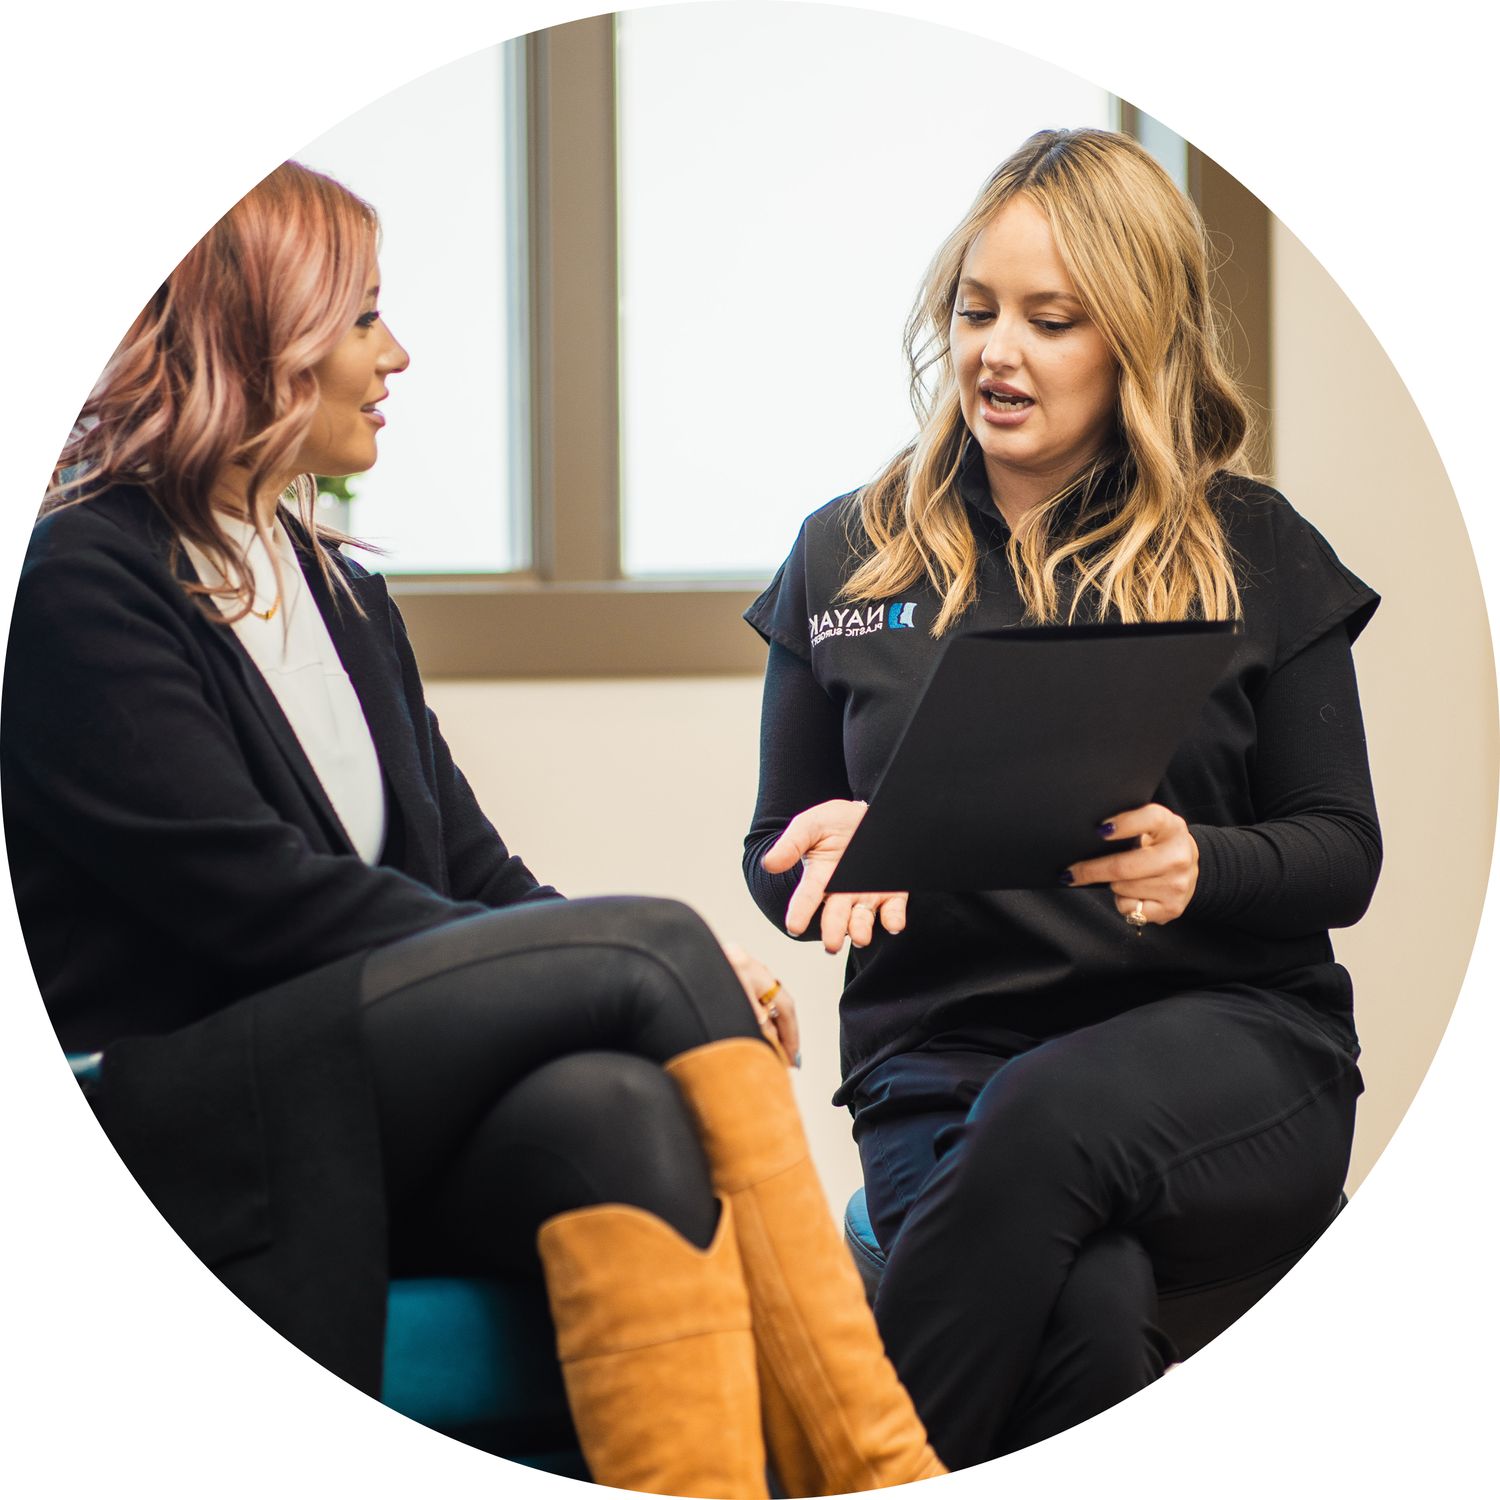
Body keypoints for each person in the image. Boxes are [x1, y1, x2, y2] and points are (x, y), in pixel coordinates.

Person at [1, 161, 947, 1499]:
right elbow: (266, 907)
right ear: (258, 339)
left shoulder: (332, 586)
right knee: (656, 952)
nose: (396, 355)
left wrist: (620, 969)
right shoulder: (79, 582)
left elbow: (472, 873)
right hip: (198, 1105)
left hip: (367, 1085)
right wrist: (622, 967)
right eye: (363, 318)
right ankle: (878, 1466)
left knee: (615, 1109)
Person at [743, 128, 1381, 1469]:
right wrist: (832, 865)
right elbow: (777, 852)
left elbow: (1341, 854)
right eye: (976, 312)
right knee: (1088, 1312)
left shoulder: (1254, 547)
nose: (997, 353)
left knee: (1048, 1115)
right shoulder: (843, 554)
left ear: (1134, 342)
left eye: (1050, 319)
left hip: (1233, 1051)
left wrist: (1203, 863)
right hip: (941, 1072)